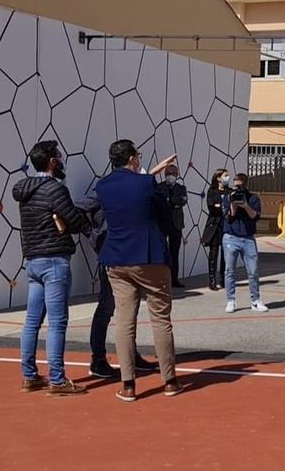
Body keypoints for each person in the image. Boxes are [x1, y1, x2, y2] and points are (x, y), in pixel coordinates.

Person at [96, 140, 184, 402]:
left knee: (124, 320)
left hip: (117, 257)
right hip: (149, 255)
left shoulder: (103, 186)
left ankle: (128, 384)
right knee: (160, 318)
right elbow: (164, 214)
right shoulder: (146, 184)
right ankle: (169, 381)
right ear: (133, 158)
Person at [13, 140, 91, 396]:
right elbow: (74, 219)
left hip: (33, 259)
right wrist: (82, 220)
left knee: (32, 321)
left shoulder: (24, 190)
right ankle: (57, 379)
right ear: (52, 161)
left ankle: (29, 375)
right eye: (58, 156)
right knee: (57, 322)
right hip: (55, 260)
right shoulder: (55, 189)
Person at [79, 197, 161, 379]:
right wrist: (92, 234)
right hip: (110, 258)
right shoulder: (102, 195)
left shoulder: (127, 196)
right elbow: (76, 208)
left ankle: (131, 355)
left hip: (130, 256)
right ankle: (98, 358)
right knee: (106, 308)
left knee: (130, 309)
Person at [222, 173, 267, 314]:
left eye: (240, 186)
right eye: (235, 185)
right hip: (231, 237)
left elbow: (255, 216)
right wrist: (234, 205)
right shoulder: (228, 197)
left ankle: (255, 300)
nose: (237, 188)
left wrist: (245, 205)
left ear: (246, 185)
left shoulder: (253, 198)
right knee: (230, 271)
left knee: (253, 271)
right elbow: (228, 217)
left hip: (248, 238)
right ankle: (231, 300)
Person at [157, 165, 189, 288]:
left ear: (177, 174)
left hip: (176, 224)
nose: (170, 175)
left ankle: (174, 279)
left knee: (174, 253)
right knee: (161, 253)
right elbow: (160, 203)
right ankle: (161, 280)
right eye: (168, 173)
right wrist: (173, 202)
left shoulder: (181, 188)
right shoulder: (160, 187)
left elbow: (182, 201)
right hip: (162, 224)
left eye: (173, 173)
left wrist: (170, 200)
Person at [199, 168, 230, 291]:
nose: (227, 178)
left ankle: (223, 279)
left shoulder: (229, 191)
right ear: (218, 178)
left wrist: (220, 205)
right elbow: (211, 207)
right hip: (215, 224)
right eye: (225, 175)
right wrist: (221, 206)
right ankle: (212, 280)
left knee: (225, 255)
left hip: (227, 224)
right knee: (214, 253)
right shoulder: (212, 191)